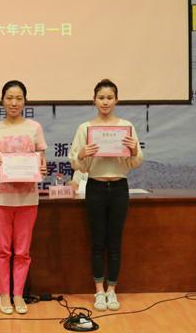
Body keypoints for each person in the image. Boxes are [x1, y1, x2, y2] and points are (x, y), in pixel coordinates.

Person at [69, 79, 143, 312]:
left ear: (116, 100)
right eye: (101, 98)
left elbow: (135, 161)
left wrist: (133, 150)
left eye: (109, 98)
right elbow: (77, 163)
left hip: (119, 188)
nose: (105, 102)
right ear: (94, 100)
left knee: (115, 241)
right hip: (96, 187)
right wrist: (82, 154)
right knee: (98, 241)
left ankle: (112, 290)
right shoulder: (85, 128)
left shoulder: (126, 126)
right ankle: (99, 291)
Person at [0, 80, 47, 315]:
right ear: (2, 100)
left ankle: (18, 294)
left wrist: (42, 168)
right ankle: (4, 294)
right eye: (9, 98)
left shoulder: (34, 128)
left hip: (28, 198)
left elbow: (42, 161)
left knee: (22, 251)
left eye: (18, 98)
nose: (14, 102)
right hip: (0, 199)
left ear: (25, 101)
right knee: (2, 249)